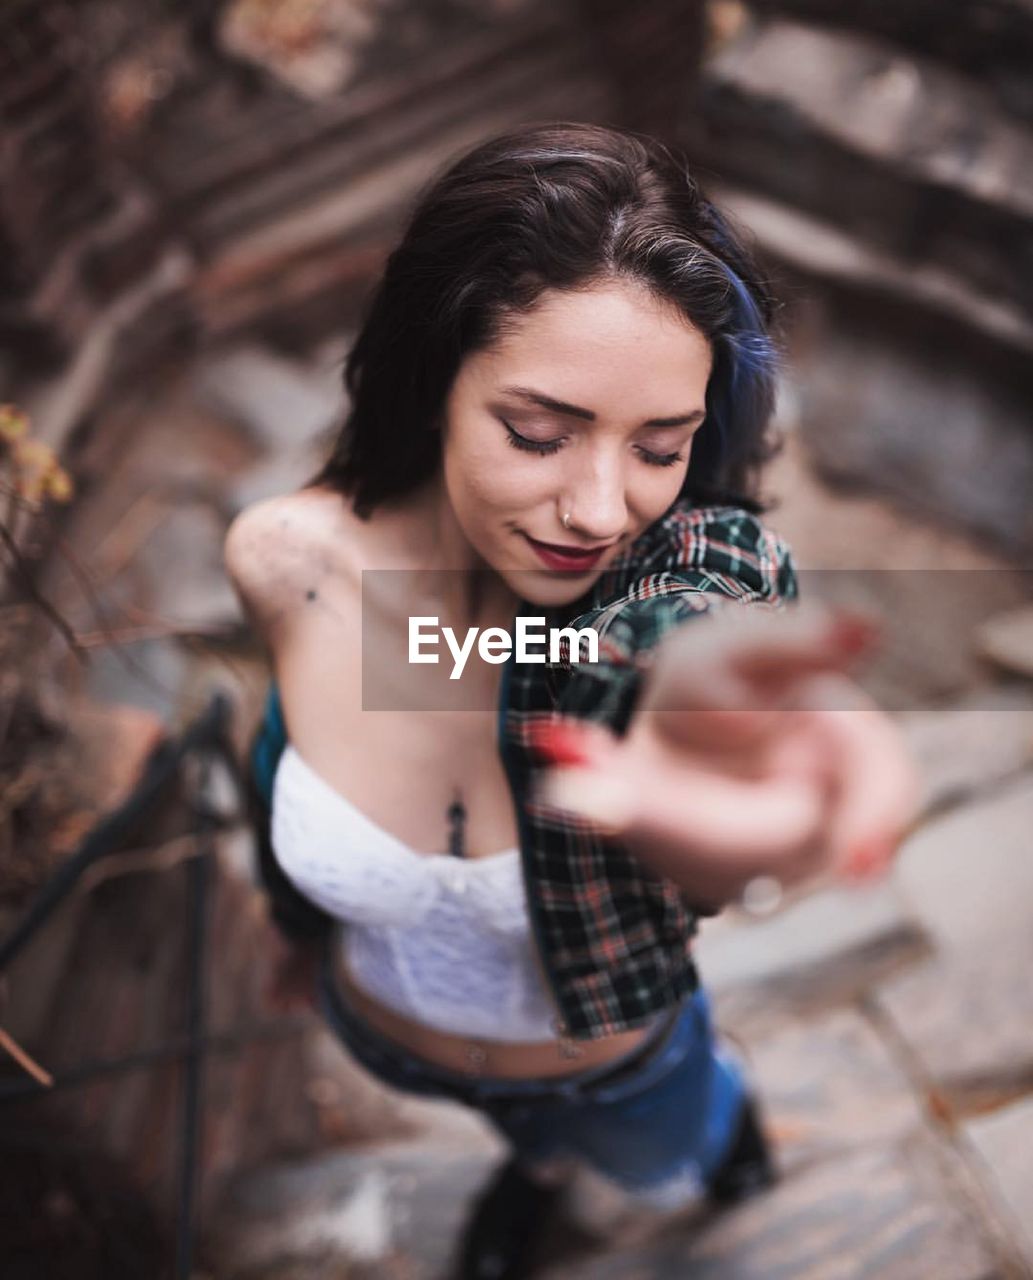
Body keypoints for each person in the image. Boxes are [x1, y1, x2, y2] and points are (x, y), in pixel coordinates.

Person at [224, 121, 916, 1279]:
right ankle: (535, 1170)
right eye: (538, 434)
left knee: (665, 1152)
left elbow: (674, 643)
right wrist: (298, 922)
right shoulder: (285, 560)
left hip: (617, 1062)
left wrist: (714, 729)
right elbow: (279, 739)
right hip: (390, 1040)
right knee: (531, 1144)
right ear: (434, 376)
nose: (600, 509)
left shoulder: (676, 575)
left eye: (660, 447)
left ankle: (719, 1117)